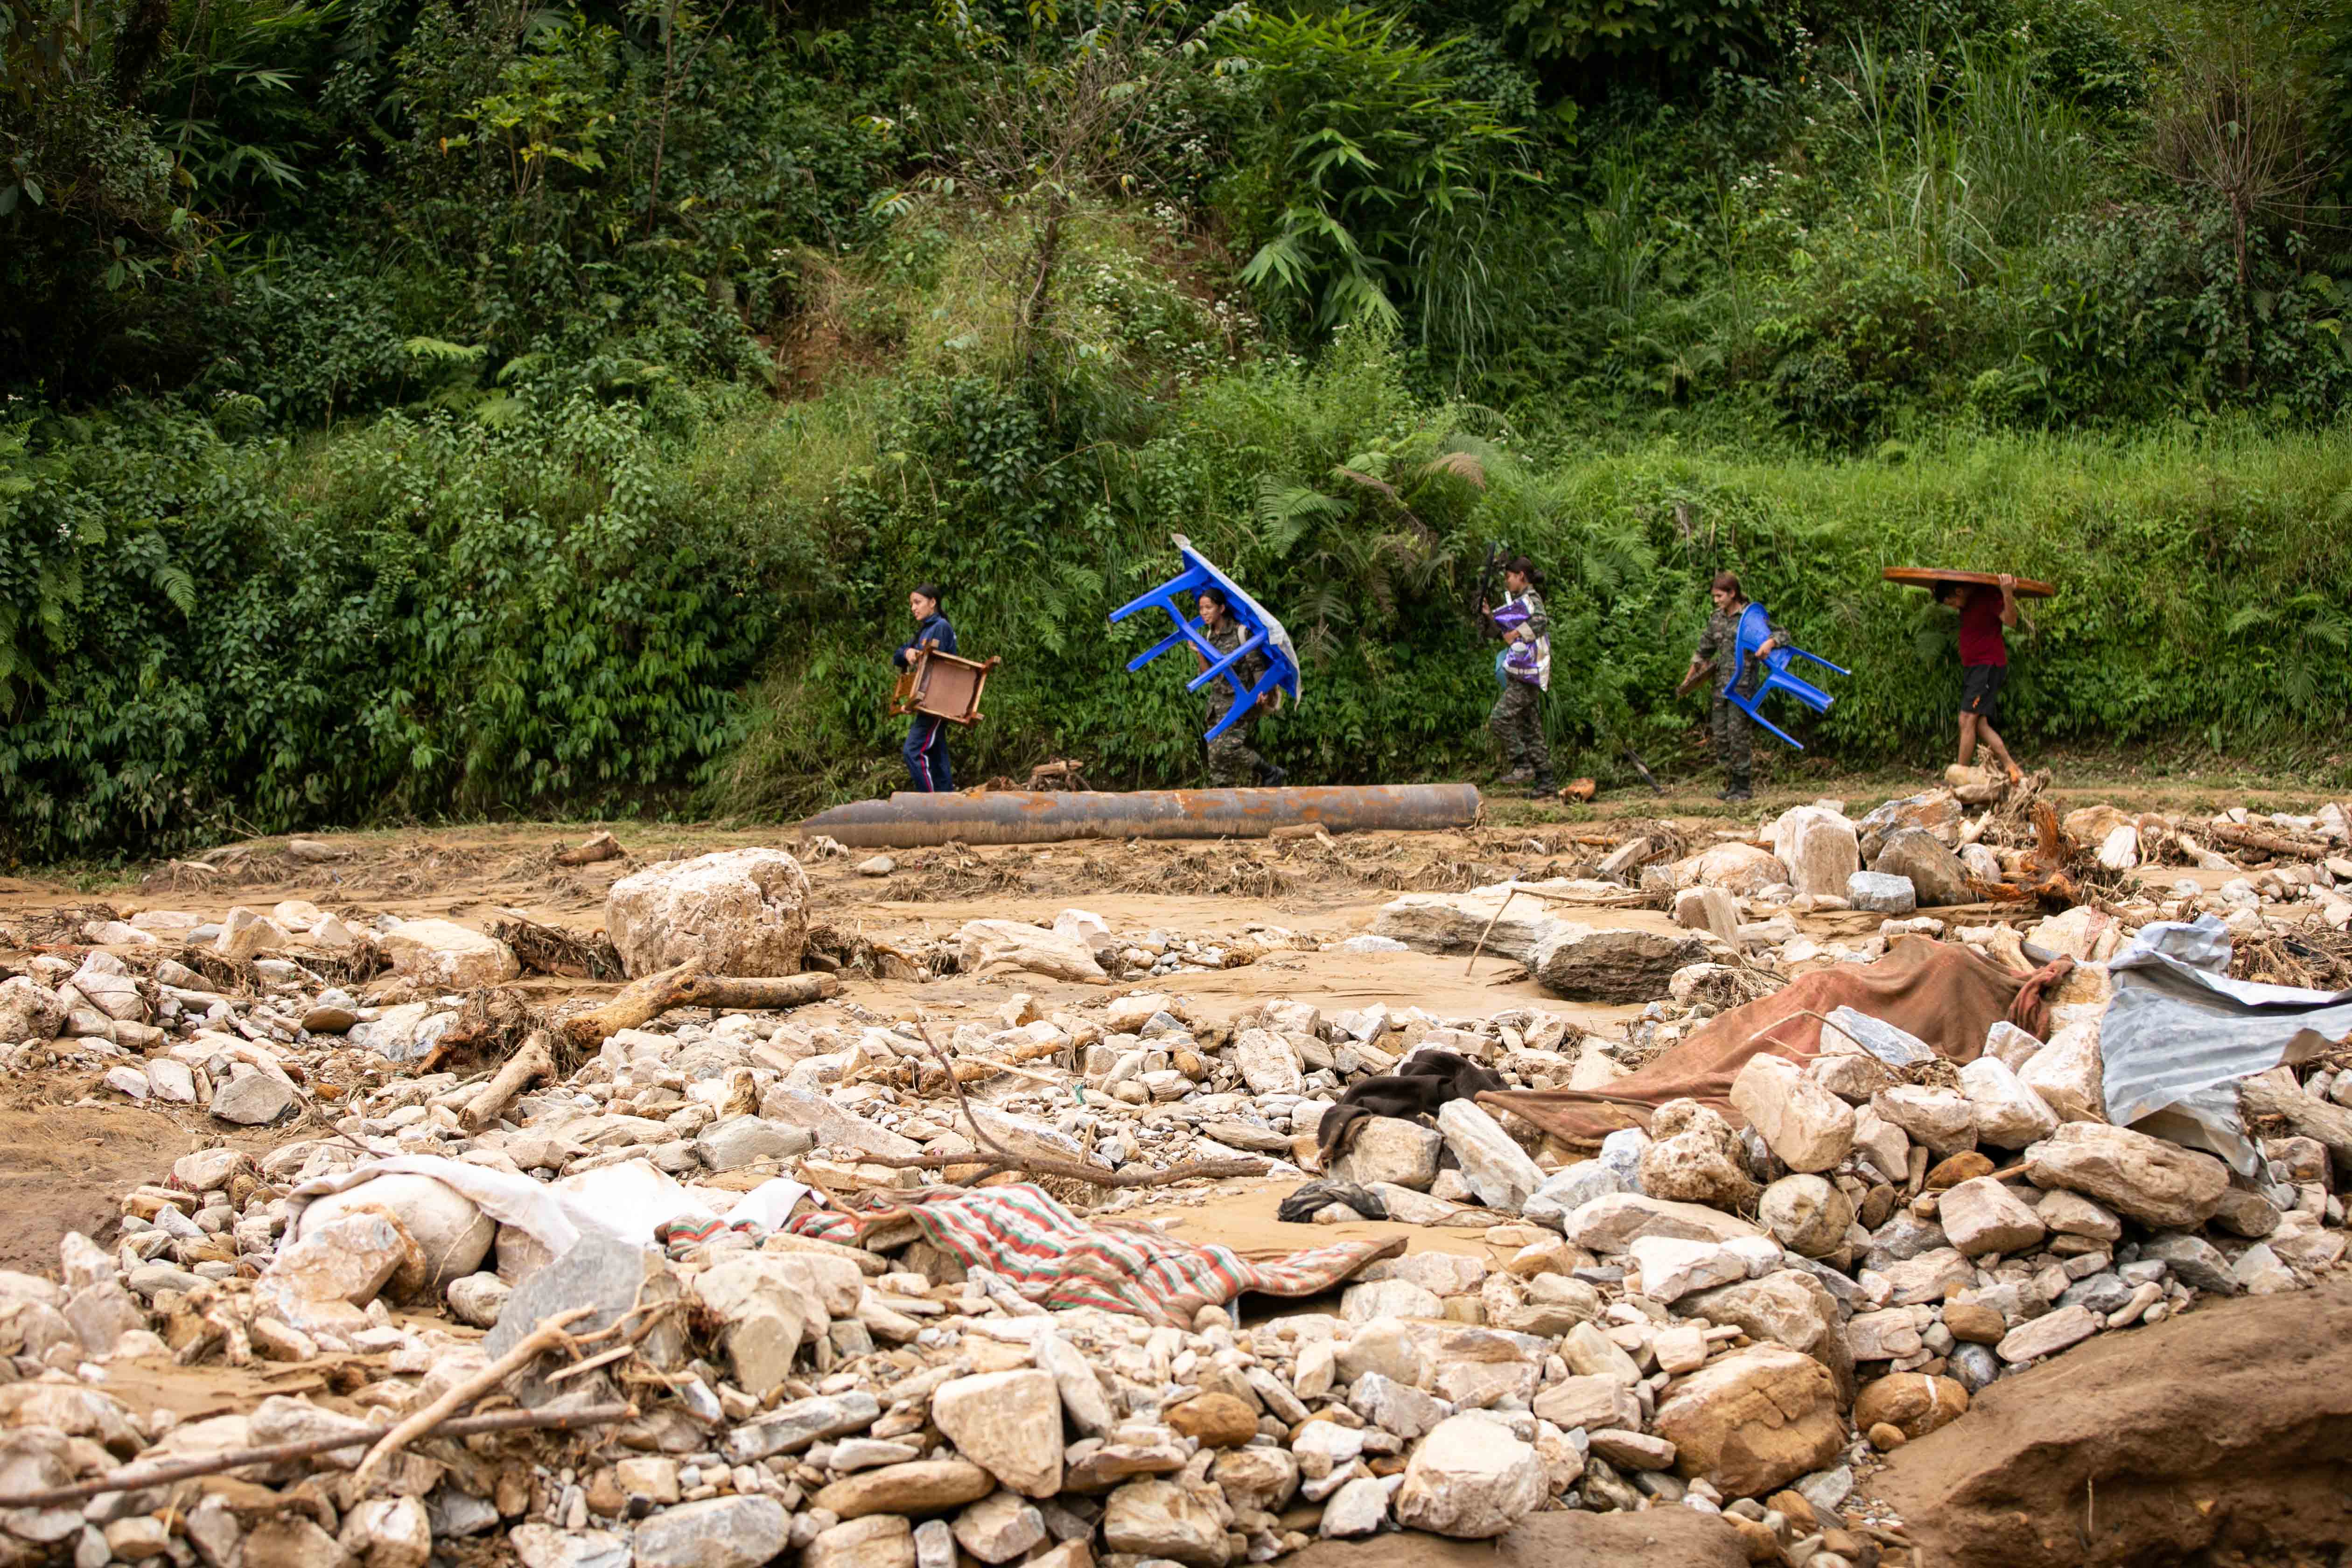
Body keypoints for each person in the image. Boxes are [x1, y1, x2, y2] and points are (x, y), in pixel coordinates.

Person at [1683, 571, 1784, 803]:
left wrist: (1769, 643)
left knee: (1738, 736)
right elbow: (1702, 652)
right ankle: (1732, 786)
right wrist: (1687, 681)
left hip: (1742, 686)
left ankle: (1743, 788)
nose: (1716, 601)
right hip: (1721, 687)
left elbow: (1782, 634)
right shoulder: (1716, 619)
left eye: (1720, 596)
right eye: (1715, 597)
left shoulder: (1750, 618)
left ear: (1733, 593)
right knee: (1721, 736)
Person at [1937, 574, 2025, 784]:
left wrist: (2007, 593)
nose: (1953, 607)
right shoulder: (1966, 601)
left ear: (1958, 592)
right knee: (1980, 724)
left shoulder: (1988, 596)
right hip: (1974, 670)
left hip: (1987, 668)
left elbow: (2011, 621)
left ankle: (1959, 779)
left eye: (1951, 602)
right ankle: (2012, 767)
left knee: (1966, 719)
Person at [1196, 587, 1286, 787]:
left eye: (1209, 608)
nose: (1204, 613)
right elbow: (1206, 676)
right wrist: (1200, 651)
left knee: (1228, 749)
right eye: (1201, 608)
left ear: (1221, 608)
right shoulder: (1209, 636)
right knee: (1216, 758)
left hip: (1241, 703)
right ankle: (1225, 799)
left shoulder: (1241, 633)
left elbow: (1257, 667)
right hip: (1217, 705)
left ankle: (1270, 772)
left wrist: (1262, 693)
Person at [1483, 556, 1554, 797]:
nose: (1507, 583)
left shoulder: (1531, 600)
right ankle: (1547, 782)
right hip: (1522, 673)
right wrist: (1489, 617)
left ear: (1520, 576)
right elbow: (1500, 634)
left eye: (1509, 578)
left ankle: (1522, 764)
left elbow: (1541, 621)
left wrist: (1516, 633)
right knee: (1530, 728)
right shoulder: (1520, 603)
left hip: (1527, 675)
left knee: (1499, 717)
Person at [893, 583, 957, 792]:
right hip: (928, 700)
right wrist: (908, 652)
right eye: (912, 604)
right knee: (936, 755)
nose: (913, 608)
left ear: (933, 602)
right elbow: (898, 655)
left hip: (937, 699)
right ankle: (947, 803)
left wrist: (916, 652)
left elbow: (936, 663)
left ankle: (930, 803)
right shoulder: (924, 630)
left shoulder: (941, 627)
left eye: (918, 602)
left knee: (913, 751)